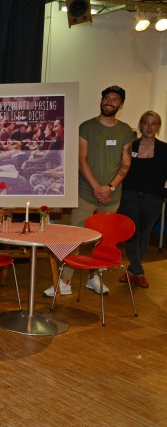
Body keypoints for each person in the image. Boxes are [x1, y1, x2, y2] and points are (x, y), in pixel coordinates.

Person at [43, 86, 133, 297]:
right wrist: (97, 188)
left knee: (103, 240)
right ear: (101, 101)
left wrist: (109, 187)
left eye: (115, 99)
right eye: (107, 98)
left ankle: (95, 277)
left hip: (111, 196)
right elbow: (81, 160)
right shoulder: (86, 127)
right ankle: (64, 281)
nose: (110, 102)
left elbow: (126, 162)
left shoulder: (125, 130)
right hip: (86, 193)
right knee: (76, 238)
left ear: (121, 105)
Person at [117, 111, 167, 288]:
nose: (149, 127)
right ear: (140, 125)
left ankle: (132, 270)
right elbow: (121, 168)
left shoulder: (165, 149)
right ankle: (138, 272)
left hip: (153, 198)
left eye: (154, 123)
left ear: (158, 127)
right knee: (132, 233)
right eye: (146, 123)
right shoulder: (131, 147)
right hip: (129, 196)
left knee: (144, 234)